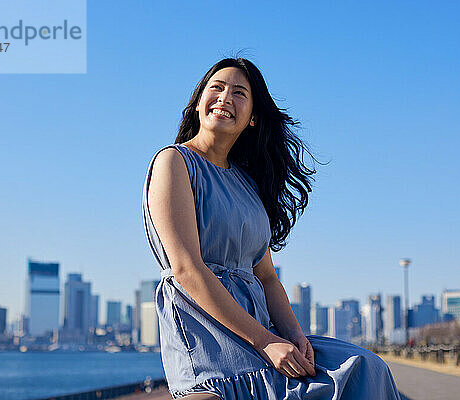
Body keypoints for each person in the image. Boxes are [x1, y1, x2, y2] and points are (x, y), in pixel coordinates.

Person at [143, 58, 401, 399]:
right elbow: (187, 269)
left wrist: (294, 335)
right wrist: (265, 341)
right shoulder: (174, 162)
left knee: (367, 368)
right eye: (216, 88)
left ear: (252, 117)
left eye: (239, 93)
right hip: (208, 336)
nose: (224, 98)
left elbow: (266, 276)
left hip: (264, 332)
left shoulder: (248, 182)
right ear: (198, 103)